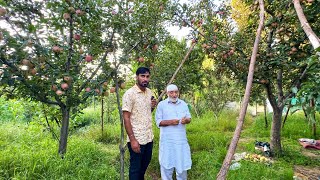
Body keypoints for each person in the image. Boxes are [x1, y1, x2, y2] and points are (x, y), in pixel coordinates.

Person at [122, 67, 157, 180]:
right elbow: (126, 118)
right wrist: (132, 139)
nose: (145, 79)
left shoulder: (149, 92)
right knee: (135, 170)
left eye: (147, 76)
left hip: (148, 137)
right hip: (137, 139)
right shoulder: (130, 94)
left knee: (144, 167)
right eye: (142, 76)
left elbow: (146, 113)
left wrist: (152, 107)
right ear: (137, 77)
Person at [155, 84, 192, 180]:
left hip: (181, 142)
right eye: (171, 92)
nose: (174, 94)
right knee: (166, 165)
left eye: (176, 92)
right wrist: (170, 122)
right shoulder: (161, 105)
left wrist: (186, 120)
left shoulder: (183, 104)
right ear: (167, 93)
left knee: (182, 166)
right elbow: (158, 122)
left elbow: (189, 118)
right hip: (167, 142)